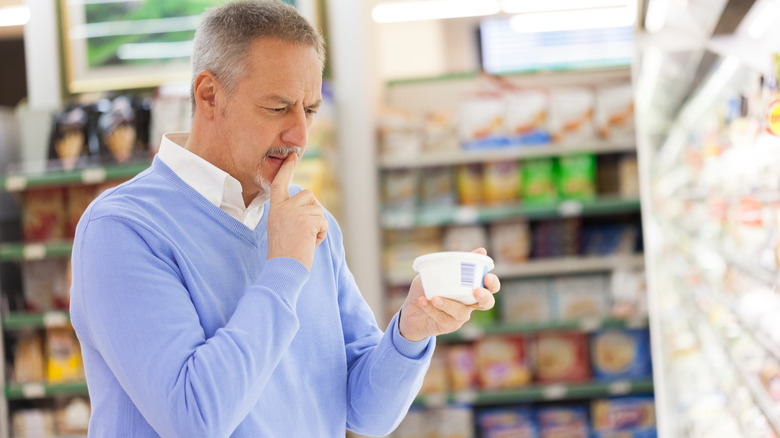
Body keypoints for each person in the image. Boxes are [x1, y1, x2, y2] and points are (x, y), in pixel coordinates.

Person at [69, 1, 500, 437]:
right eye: (277, 108)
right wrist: (285, 270)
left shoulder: (308, 221)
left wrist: (411, 330)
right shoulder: (122, 230)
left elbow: (366, 413)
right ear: (209, 95)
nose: (300, 136)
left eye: (309, 110)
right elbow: (192, 419)